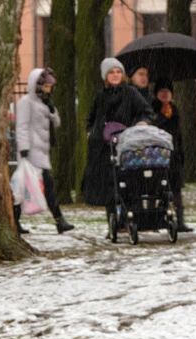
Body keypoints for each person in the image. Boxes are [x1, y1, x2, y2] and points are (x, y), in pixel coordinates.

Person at [82, 58, 153, 226]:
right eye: (111, 72)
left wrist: (142, 123)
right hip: (104, 148)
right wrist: (91, 132)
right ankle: (113, 222)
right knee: (108, 186)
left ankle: (130, 220)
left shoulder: (130, 93)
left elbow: (146, 112)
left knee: (128, 183)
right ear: (105, 76)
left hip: (126, 145)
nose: (115, 75)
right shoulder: (100, 96)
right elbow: (91, 118)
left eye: (118, 72)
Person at [15, 67, 74, 234]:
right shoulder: (26, 102)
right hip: (30, 152)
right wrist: (24, 149)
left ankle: (58, 220)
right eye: (46, 86)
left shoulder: (44, 103)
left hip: (42, 151)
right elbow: (22, 127)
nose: (49, 89)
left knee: (40, 186)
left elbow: (56, 123)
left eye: (50, 86)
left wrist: (52, 110)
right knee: (28, 186)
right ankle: (58, 220)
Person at [153, 80, 193, 234]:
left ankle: (180, 220)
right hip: (158, 155)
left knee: (176, 190)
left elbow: (178, 135)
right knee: (158, 188)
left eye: (167, 91)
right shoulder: (153, 109)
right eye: (161, 91)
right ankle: (157, 219)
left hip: (174, 155)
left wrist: (181, 153)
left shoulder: (174, 110)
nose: (165, 94)